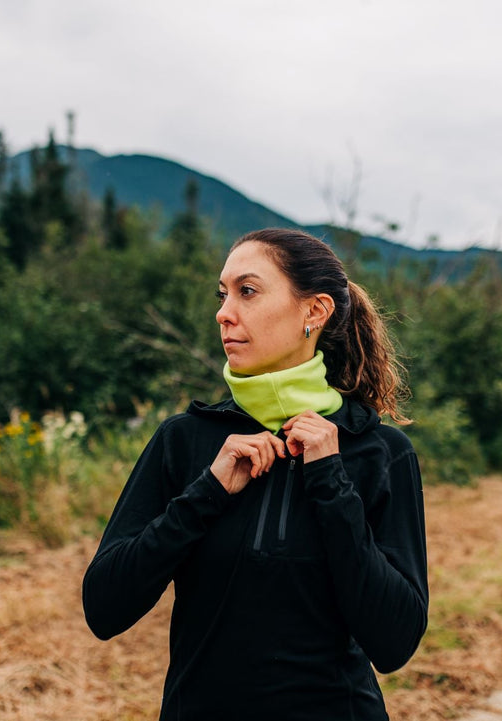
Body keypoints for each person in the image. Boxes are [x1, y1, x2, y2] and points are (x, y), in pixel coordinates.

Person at [82, 228, 428, 720]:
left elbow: (395, 643)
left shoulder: (380, 452)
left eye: (247, 291)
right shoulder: (185, 439)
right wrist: (206, 494)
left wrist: (331, 483)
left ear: (315, 311)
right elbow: (104, 609)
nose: (224, 313)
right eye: (222, 294)